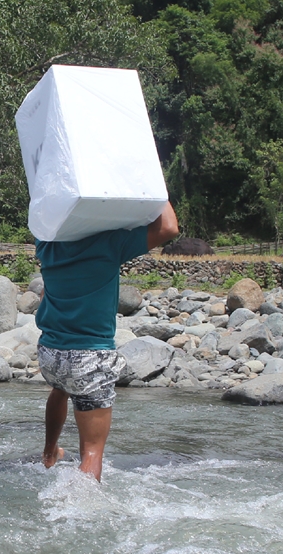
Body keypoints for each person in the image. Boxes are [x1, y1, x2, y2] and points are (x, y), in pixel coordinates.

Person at [36, 202, 180, 481]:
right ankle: (84, 510)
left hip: (50, 354)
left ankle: (49, 452)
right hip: (90, 356)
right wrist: (152, 182)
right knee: (92, 451)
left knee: (61, 389)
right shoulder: (109, 243)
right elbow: (169, 227)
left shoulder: (47, 243)